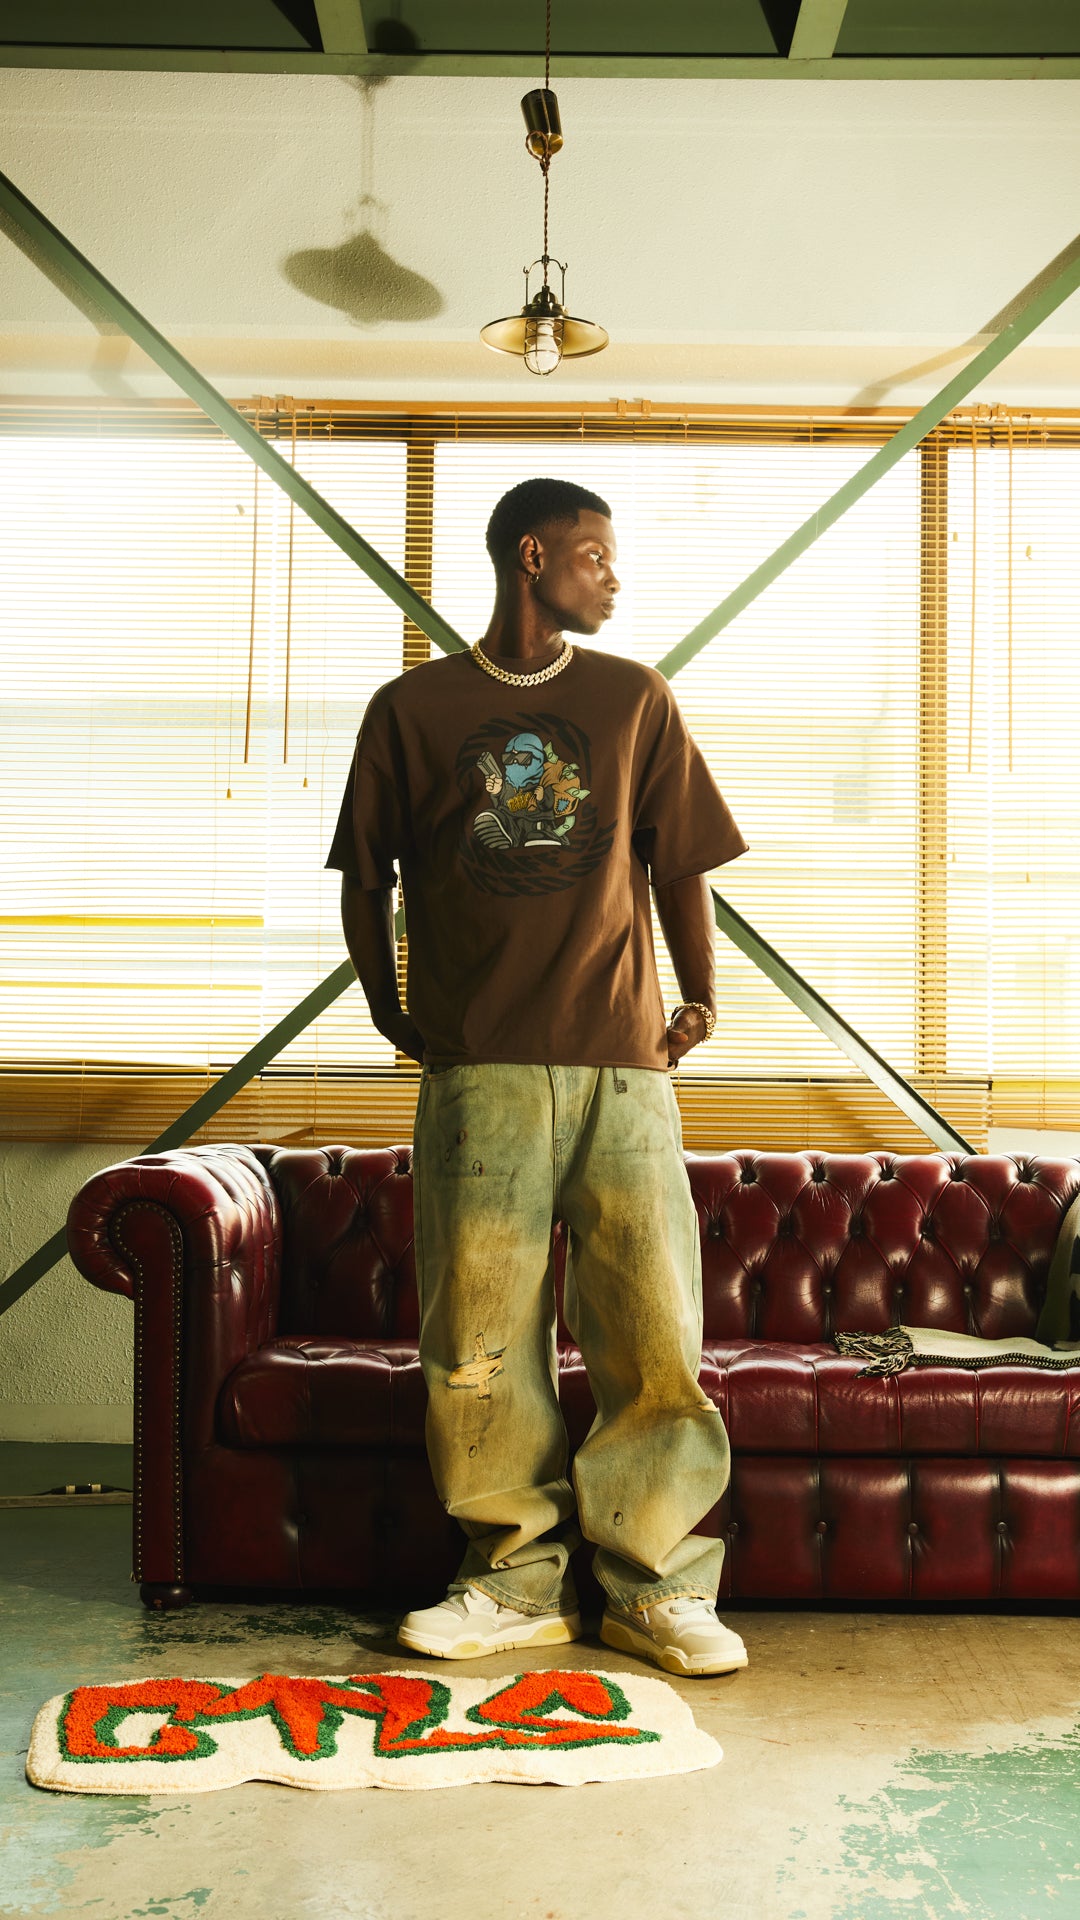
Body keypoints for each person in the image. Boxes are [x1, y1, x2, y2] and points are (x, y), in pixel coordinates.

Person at [327, 476, 750, 1678]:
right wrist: (389, 1009)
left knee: (653, 1331)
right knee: (478, 1341)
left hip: (623, 1064)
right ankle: (511, 1582)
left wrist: (699, 992)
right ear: (532, 556)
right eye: (595, 555)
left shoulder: (634, 698)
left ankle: (656, 1588)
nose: (613, 578)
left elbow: (679, 862)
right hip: (481, 1073)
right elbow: (365, 875)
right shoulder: (412, 709)